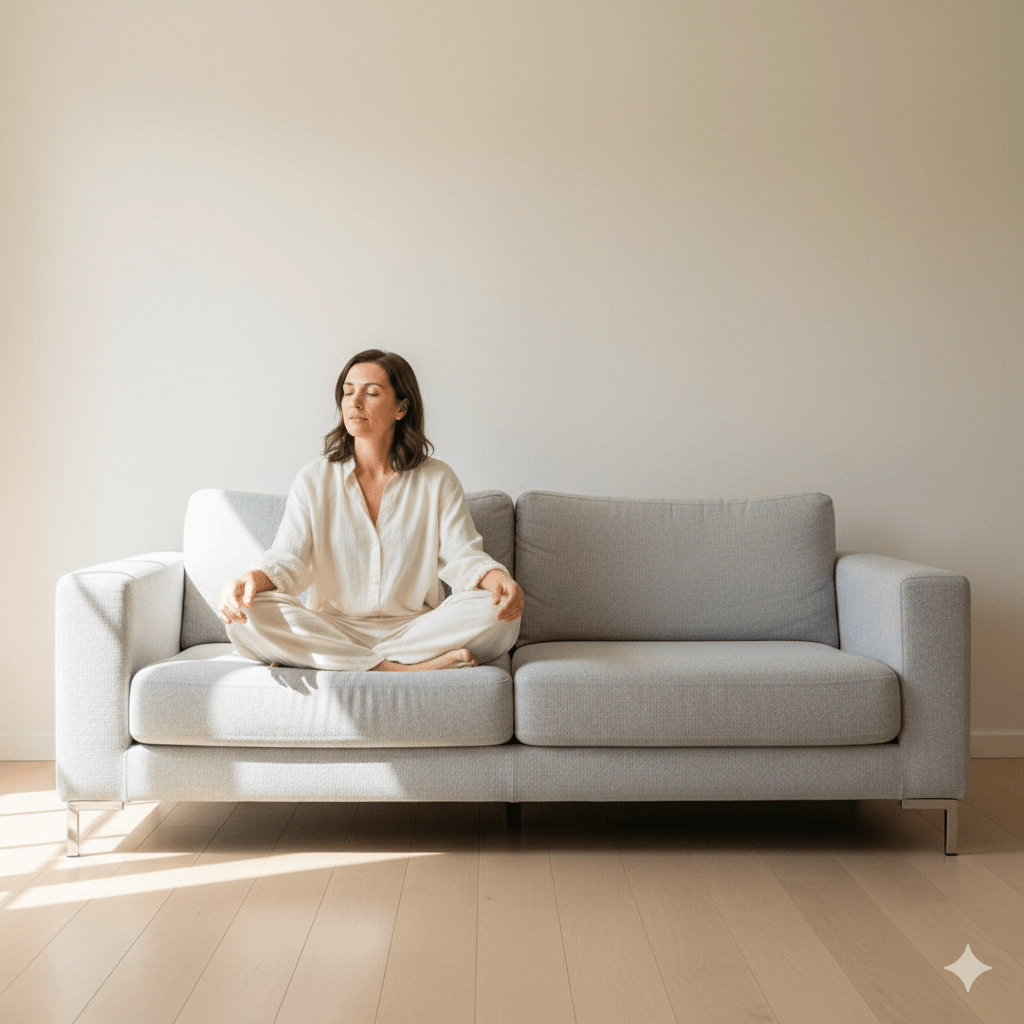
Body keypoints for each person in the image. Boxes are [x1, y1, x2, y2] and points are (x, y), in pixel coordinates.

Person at [219, 349, 523, 672]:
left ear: (401, 407)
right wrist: (247, 579)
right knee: (246, 614)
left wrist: (497, 579)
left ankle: (333, 660)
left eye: (371, 392)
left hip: (415, 630)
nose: (354, 401)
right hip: (334, 629)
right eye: (348, 391)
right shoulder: (314, 479)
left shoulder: (438, 479)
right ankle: (399, 669)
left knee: (499, 616)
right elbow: (287, 561)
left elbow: (464, 557)